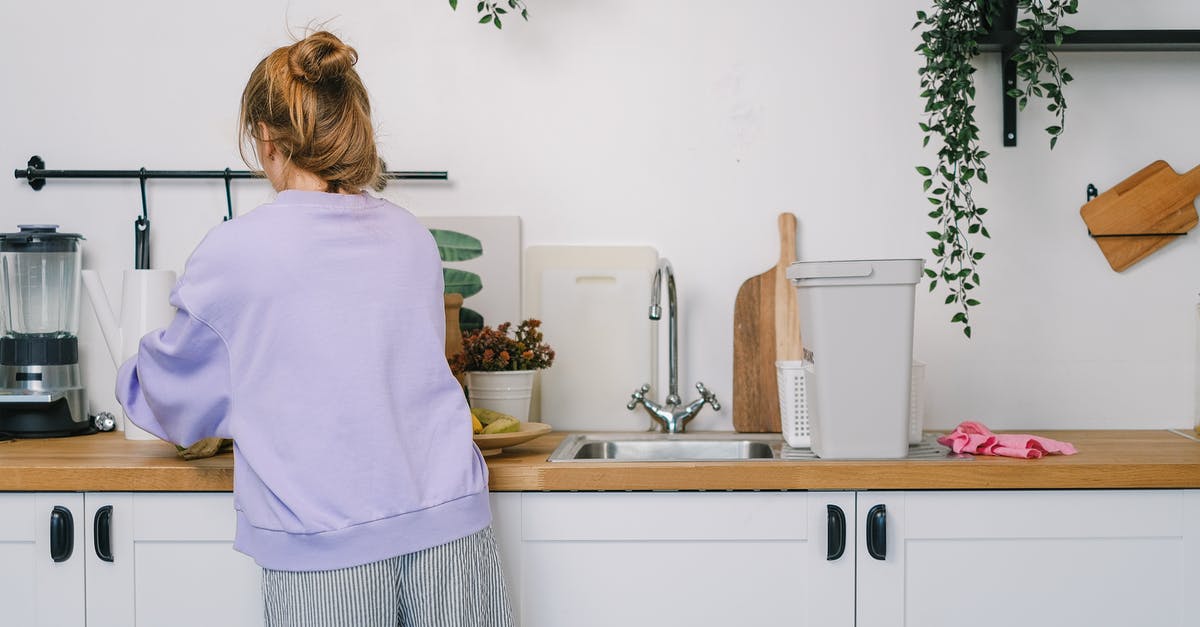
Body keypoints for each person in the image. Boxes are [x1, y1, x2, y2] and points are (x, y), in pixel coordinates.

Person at [115, 30, 515, 627]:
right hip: (453, 533)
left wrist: (131, 380)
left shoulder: (237, 252)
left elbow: (177, 399)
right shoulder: (411, 237)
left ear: (267, 137)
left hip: (327, 551)